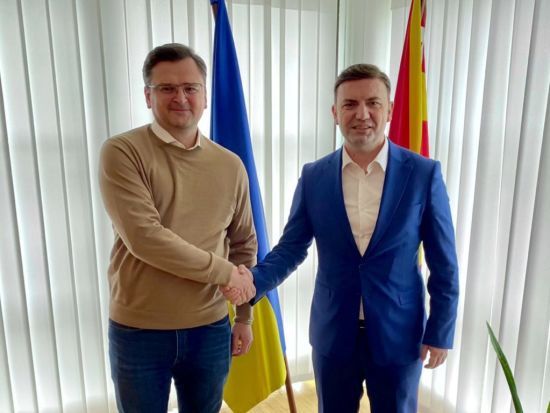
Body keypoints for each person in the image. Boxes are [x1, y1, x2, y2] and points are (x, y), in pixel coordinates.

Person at [224, 64, 459, 413]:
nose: (362, 114)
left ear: (389, 110)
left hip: (399, 333)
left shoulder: (423, 174)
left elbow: (444, 263)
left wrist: (440, 331)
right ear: (335, 113)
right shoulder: (314, 176)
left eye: (373, 103)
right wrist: (252, 282)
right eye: (350, 104)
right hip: (333, 333)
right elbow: (291, 248)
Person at [99, 43, 257, 413]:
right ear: (147, 96)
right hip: (139, 332)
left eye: (190, 88)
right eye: (167, 88)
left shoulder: (230, 165)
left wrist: (244, 316)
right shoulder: (122, 152)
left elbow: (243, 243)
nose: (180, 98)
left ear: (205, 96)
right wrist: (224, 273)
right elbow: (145, 238)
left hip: (210, 328)